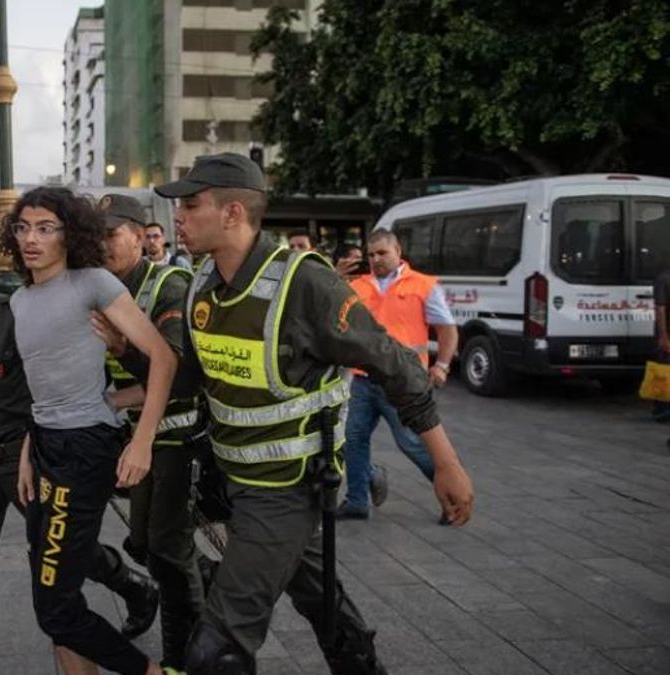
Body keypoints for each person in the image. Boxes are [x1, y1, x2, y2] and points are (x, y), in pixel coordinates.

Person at [152, 153, 474, 674]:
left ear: (233, 212)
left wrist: (445, 463)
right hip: (234, 482)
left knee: (217, 652)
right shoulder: (201, 284)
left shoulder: (304, 284)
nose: (178, 219)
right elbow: (190, 378)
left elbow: (396, 365)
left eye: (191, 204)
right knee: (319, 597)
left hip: (287, 491)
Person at [0, 238, 159, 675]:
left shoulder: (17, 314)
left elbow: (54, 380)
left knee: (58, 549)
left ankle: (130, 585)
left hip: (30, 452)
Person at [0, 186, 177, 675]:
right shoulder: (21, 301)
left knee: (56, 606)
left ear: (69, 233)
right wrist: (27, 453)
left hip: (85, 449)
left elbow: (163, 357)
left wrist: (141, 441)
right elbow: (43, 391)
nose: (31, 238)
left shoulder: (92, 283)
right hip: (47, 445)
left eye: (46, 227)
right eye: (24, 227)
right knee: (53, 589)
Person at [91, 194, 205, 671]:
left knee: (167, 550)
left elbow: (175, 372)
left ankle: (188, 654)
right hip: (138, 436)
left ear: (141, 236)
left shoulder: (168, 285)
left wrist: (120, 354)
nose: (102, 245)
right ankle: (202, 579)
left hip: (177, 436)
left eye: (111, 235)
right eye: (95, 235)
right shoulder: (101, 289)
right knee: (141, 540)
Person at [339, 229, 459, 521]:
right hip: (364, 379)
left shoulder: (422, 285)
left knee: (412, 443)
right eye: (371, 254)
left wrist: (441, 366)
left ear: (398, 251)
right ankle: (357, 500)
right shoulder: (358, 285)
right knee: (352, 440)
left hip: (404, 381)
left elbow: (446, 329)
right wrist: (335, 275)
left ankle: (452, 498)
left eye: (382, 253)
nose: (376, 259)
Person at [655, 268, 670, 422]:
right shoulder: (664, 279)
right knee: (664, 370)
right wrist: (663, 335)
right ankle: (662, 408)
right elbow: (660, 308)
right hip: (667, 334)